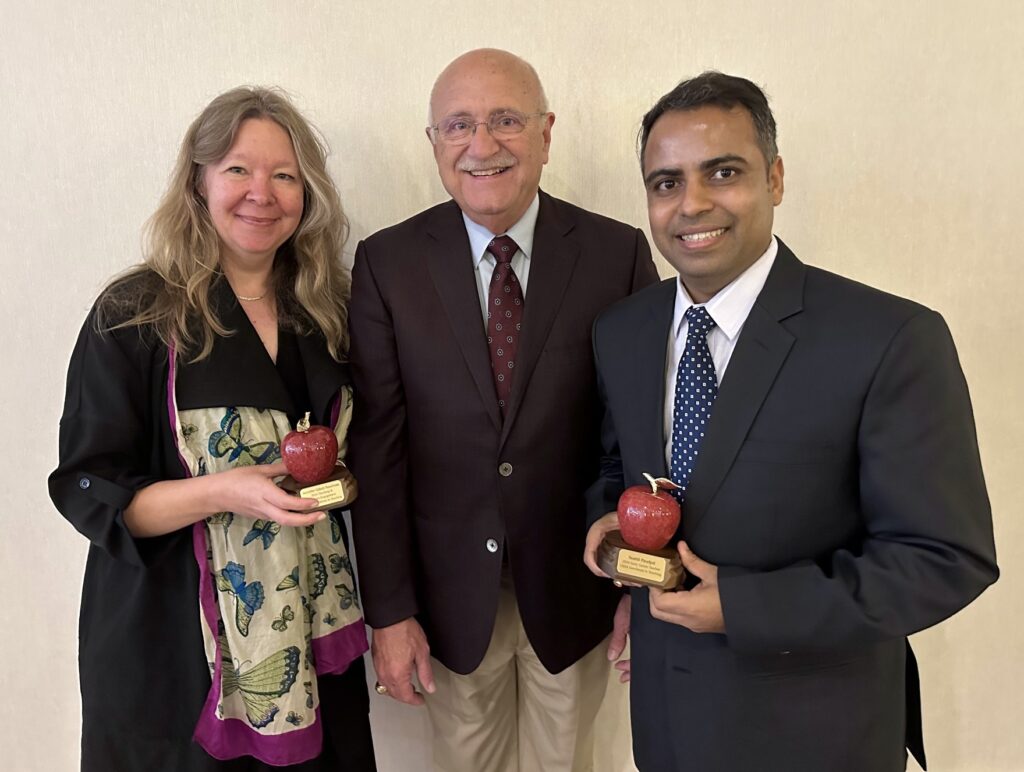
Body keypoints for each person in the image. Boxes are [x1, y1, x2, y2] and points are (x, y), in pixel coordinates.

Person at [583, 71, 998, 772]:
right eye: (666, 182)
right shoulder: (623, 331)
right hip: (664, 724)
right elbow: (621, 467)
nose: (694, 204)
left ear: (775, 178)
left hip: (817, 734)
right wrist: (606, 521)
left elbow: (944, 560)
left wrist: (749, 607)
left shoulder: (889, 337)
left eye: (724, 172)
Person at [347, 48, 658, 771]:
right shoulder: (387, 265)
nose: (481, 145)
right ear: (434, 144)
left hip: (576, 590)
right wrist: (389, 611)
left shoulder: (617, 255)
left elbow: (640, 434)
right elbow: (379, 447)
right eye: (458, 125)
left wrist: (638, 585)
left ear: (546, 133)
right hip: (448, 598)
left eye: (505, 121)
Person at [49, 87, 376, 771]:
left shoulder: (326, 311)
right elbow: (91, 489)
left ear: (306, 192)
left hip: (309, 625)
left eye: (284, 175)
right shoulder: (136, 314)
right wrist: (224, 491)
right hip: (176, 642)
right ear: (198, 182)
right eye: (237, 170)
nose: (262, 192)